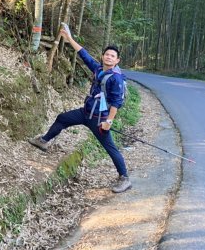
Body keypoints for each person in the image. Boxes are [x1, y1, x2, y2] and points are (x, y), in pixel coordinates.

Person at [28, 24, 131, 193]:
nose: (109, 57)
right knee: (62, 118)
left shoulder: (116, 79)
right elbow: (84, 55)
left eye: (113, 56)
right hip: (85, 112)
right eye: (107, 54)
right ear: (103, 56)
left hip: (99, 119)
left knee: (110, 148)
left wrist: (108, 122)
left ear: (117, 60)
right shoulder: (98, 69)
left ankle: (124, 177)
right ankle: (44, 141)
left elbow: (116, 103)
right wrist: (69, 38)